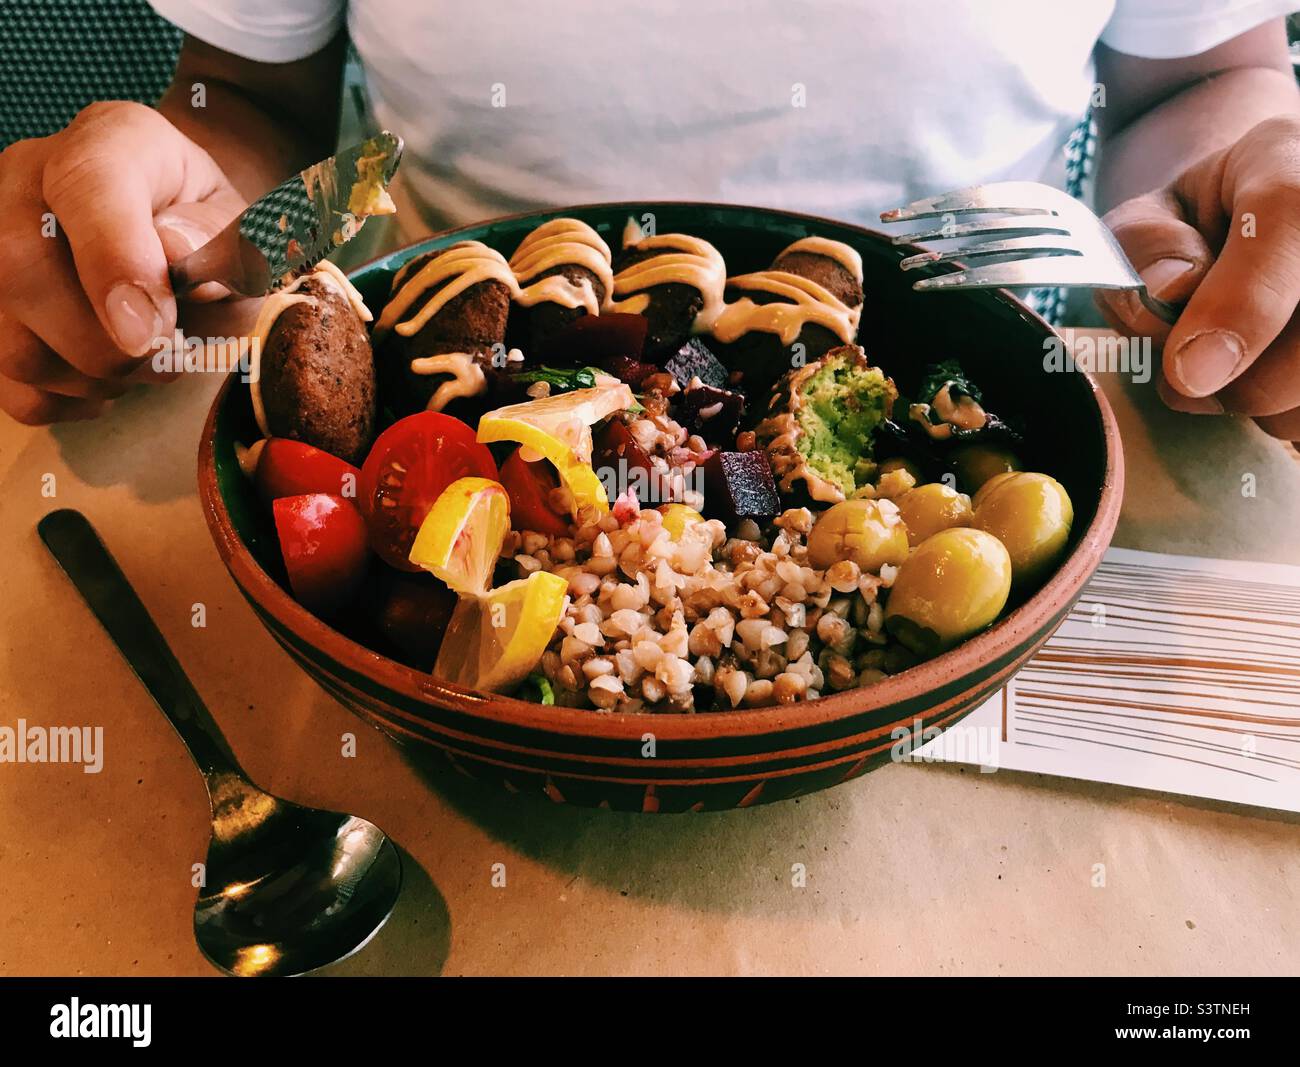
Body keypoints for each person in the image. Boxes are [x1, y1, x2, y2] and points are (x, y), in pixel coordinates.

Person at [0, 0, 1298, 441]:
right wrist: (183, 225)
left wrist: (1228, 206)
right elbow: (267, 116)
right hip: (454, 429)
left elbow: (1194, 78)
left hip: (1003, 430)